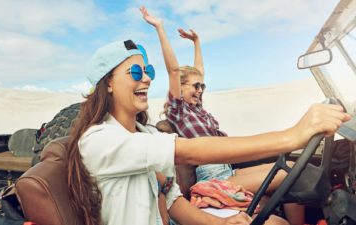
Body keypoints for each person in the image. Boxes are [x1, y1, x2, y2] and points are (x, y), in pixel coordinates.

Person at [65, 33, 350, 225]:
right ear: (109, 82)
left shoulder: (146, 134)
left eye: (148, 72)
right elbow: (189, 152)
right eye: (136, 73)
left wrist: (222, 223)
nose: (147, 80)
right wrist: (292, 135)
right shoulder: (99, 140)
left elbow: (174, 200)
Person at [139, 6, 338, 225]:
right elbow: (174, 71)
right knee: (291, 174)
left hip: (227, 168)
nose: (200, 90)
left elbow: (200, 71)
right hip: (213, 175)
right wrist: (159, 28)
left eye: (202, 86)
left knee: (291, 169)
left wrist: (196, 42)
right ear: (181, 87)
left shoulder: (197, 107)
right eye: (195, 86)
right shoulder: (179, 111)